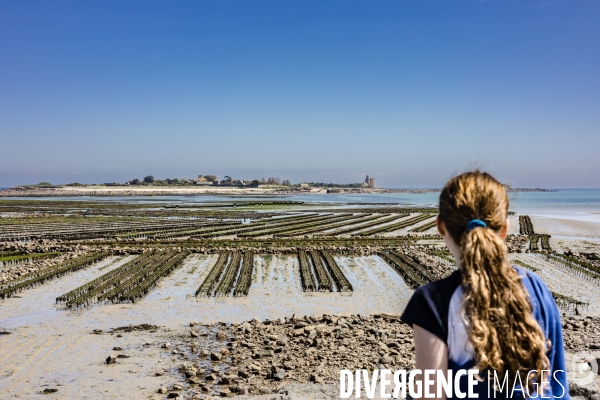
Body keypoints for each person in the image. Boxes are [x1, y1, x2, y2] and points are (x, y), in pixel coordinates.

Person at [401, 171, 570, 399]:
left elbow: (430, 395)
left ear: (441, 226)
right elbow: (557, 386)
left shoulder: (434, 301)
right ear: (504, 229)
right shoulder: (536, 288)